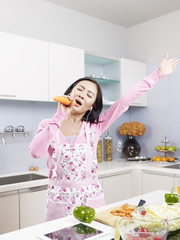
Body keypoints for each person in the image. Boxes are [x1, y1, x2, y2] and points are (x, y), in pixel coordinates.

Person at [29, 53, 178, 221]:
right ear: (70, 93)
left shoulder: (95, 127)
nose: (82, 94)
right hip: (59, 204)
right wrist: (58, 117)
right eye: (79, 89)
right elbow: (35, 152)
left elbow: (124, 101)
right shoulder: (49, 125)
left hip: (91, 202)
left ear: (91, 106)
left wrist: (157, 74)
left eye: (89, 94)